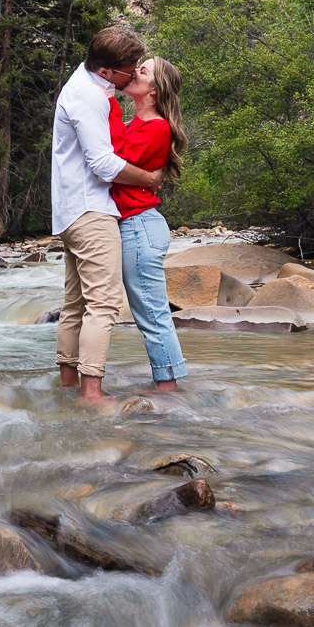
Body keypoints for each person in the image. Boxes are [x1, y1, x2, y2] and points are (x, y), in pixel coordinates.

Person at [51, 27, 165, 406]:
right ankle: (92, 393)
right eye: (129, 69)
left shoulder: (85, 83)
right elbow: (102, 164)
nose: (134, 74)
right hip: (90, 211)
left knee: (76, 304)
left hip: (69, 211)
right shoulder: (89, 97)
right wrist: (149, 178)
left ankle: (68, 385)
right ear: (107, 71)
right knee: (103, 304)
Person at [109, 57, 189, 389]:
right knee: (150, 314)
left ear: (153, 92)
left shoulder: (156, 127)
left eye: (142, 71)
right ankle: (169, 387)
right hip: (135, 226)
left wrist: (108, 99)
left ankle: (169, 391)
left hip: (140, 227)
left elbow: (113, 156)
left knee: (153, 316)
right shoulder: (138, 124)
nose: (134, 73)